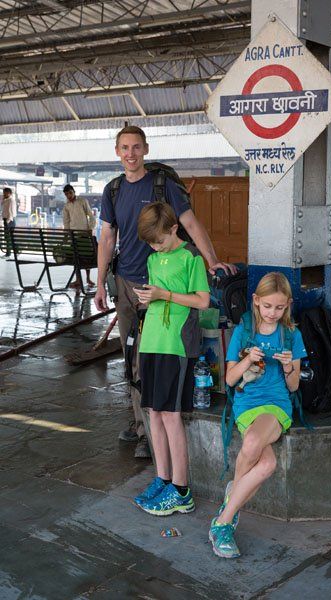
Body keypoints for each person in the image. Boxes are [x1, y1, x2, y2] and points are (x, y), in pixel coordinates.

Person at [94, 125, 236, 459]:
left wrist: (211, 260)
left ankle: (153, 427)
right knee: (132, 357)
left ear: (145, 149)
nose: (131, 154)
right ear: (117, 152)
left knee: (156, 358)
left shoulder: (164, 186)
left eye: (136, 147)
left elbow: (190, 224)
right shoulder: (112, 191)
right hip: (128, 284)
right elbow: (106, 238)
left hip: (163, 284)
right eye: (124, 148)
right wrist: (101, 282)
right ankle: (140, 422)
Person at [209, 272, 307, 559]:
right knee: (265, 466)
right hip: (246, 402)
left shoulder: (291, 334)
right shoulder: (243, 331)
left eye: (279, 307)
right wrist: (247, 359)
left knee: (251, 444)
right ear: (256, 301)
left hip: (276, 404)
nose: (273, 313)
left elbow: (293, 386)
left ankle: (223, 521)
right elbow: (229, 380)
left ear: (288, 304)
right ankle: (232, 501)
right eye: (267, 307)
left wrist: (290, 366)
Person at [132, 202, 209, 515]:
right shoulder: (153, 258)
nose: (155, 247)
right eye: (150, 242)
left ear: (174, 228)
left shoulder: (191, 257)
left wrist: (164, 296)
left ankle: (181, 489)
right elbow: (156, 295)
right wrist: (149, 297)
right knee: (153, 412)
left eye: (160, 240)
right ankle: (162, 479)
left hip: (176, 345)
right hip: (150, 341)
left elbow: (202, 301)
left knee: (171, 415)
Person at [62, 184, 96, 288]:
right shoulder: (66, 206)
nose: (69, 195)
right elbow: (66, 222)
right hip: (73, 235)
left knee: (87, 256)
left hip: (85, 233)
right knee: (76, 258)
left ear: (74, 192)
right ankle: (78, 279)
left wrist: (90, 228)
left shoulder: (82, 201)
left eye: (70, 193)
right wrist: (67, 234)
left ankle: (88, 278)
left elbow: (91, 215)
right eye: (67, 194)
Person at [2, 187, 16, 257]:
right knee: (8, 238)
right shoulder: (6, 199)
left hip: (9, 221)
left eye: (4, 192)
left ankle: (8, 253)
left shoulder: (11, 200)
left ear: (9, 193)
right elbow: (1, 203)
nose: (3, 194)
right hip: (7, 220)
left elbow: (11, 212)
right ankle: (14, 251)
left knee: (8, 238)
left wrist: (7, 222)